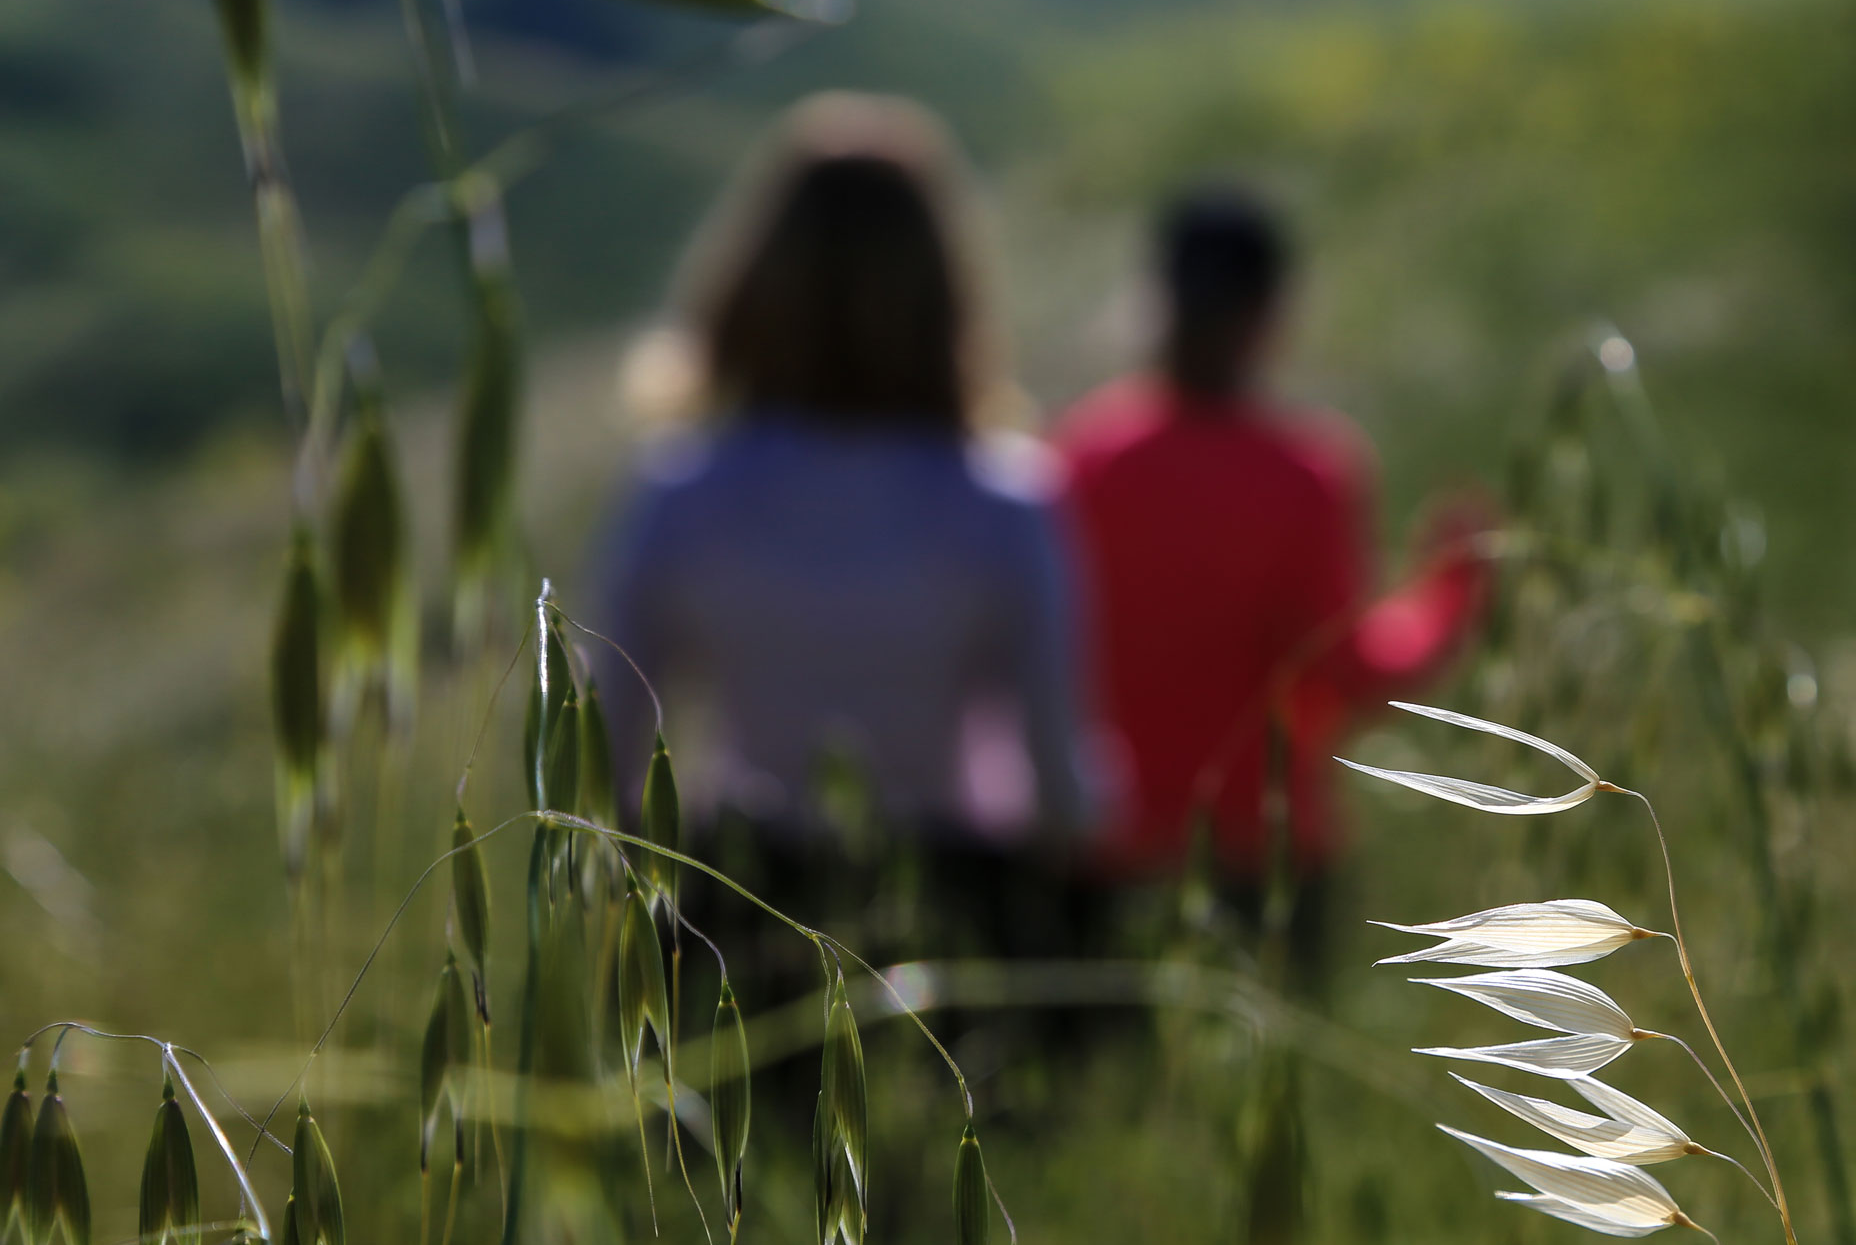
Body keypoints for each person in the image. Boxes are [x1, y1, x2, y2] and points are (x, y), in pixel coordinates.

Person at [595, 95, 1089, 975]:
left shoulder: (681, 489)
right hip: (947, 911)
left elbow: (608, 764)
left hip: (729, 909)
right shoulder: (1007, 499)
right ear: (946, 286)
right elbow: (1059, 788)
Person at [1052, 185, 1490, 960]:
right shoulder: (1305, 475)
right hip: (1264, 855)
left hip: (1099, 852)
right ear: (1272, 310)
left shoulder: (1079, 457)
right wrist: (1453, 586)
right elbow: (1356, 676)